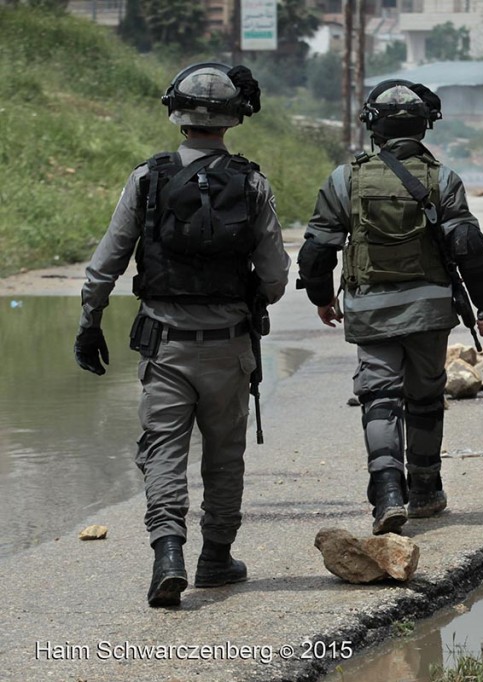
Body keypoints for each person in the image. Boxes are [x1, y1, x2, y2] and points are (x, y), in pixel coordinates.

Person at [73, 63, 290, 608]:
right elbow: (275, 276)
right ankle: (215, 560)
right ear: (234, 118)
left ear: (176, 110)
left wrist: (89, 321)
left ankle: (167, 553)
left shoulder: (148, 178)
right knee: (224, 456)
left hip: (165, 345)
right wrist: (250, 304)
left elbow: (107, 263)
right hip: (230, 346)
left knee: (164, 451)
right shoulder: (251, 182)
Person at [296, 79, 483, 536]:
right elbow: (467, 244)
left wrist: (320, 297)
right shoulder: (444, 179)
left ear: (375, 126)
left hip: (370, 310)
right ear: (424, 127)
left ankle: (387, 492)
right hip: (429, 311)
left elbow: (317, 249)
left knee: (379, 398)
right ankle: (425, 490)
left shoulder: (345, 179)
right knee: (424, 397)